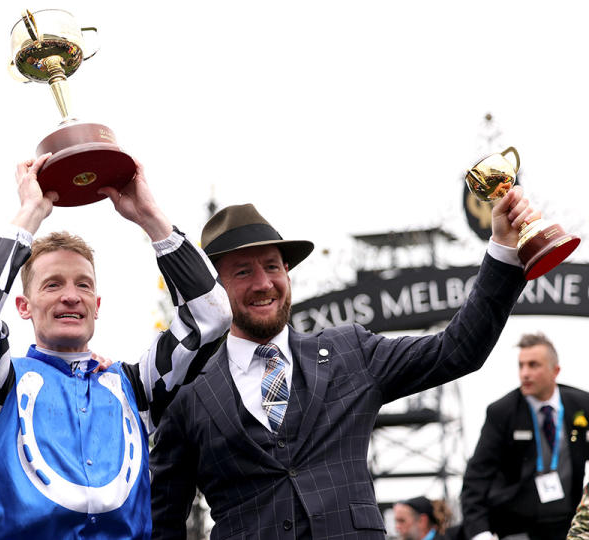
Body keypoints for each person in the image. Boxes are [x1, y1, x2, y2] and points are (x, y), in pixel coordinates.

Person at [149, 188, 535, 539]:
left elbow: (456, 350)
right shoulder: (187, 395)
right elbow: (162, 520)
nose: (264, 283)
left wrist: (502, 248)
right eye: (243, 271)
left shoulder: (349, 352)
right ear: (215, 289)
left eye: (272, 266)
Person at [0, 154, 231, 538]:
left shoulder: (135, 387)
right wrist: (31, 212)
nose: (70, 296)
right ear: (22, 306)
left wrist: (148, 215)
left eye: (83, 284)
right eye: (52, 284)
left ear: (97, 306)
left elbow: (211, 316)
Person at [461, 332, 589, 540]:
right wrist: (479, 533)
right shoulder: (502, 411)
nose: (525, 373)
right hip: (517, 527)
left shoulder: (582, 405)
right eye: (521, 365)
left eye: (533, 365)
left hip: (569, 525)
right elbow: (476, 477)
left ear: (555, 371)